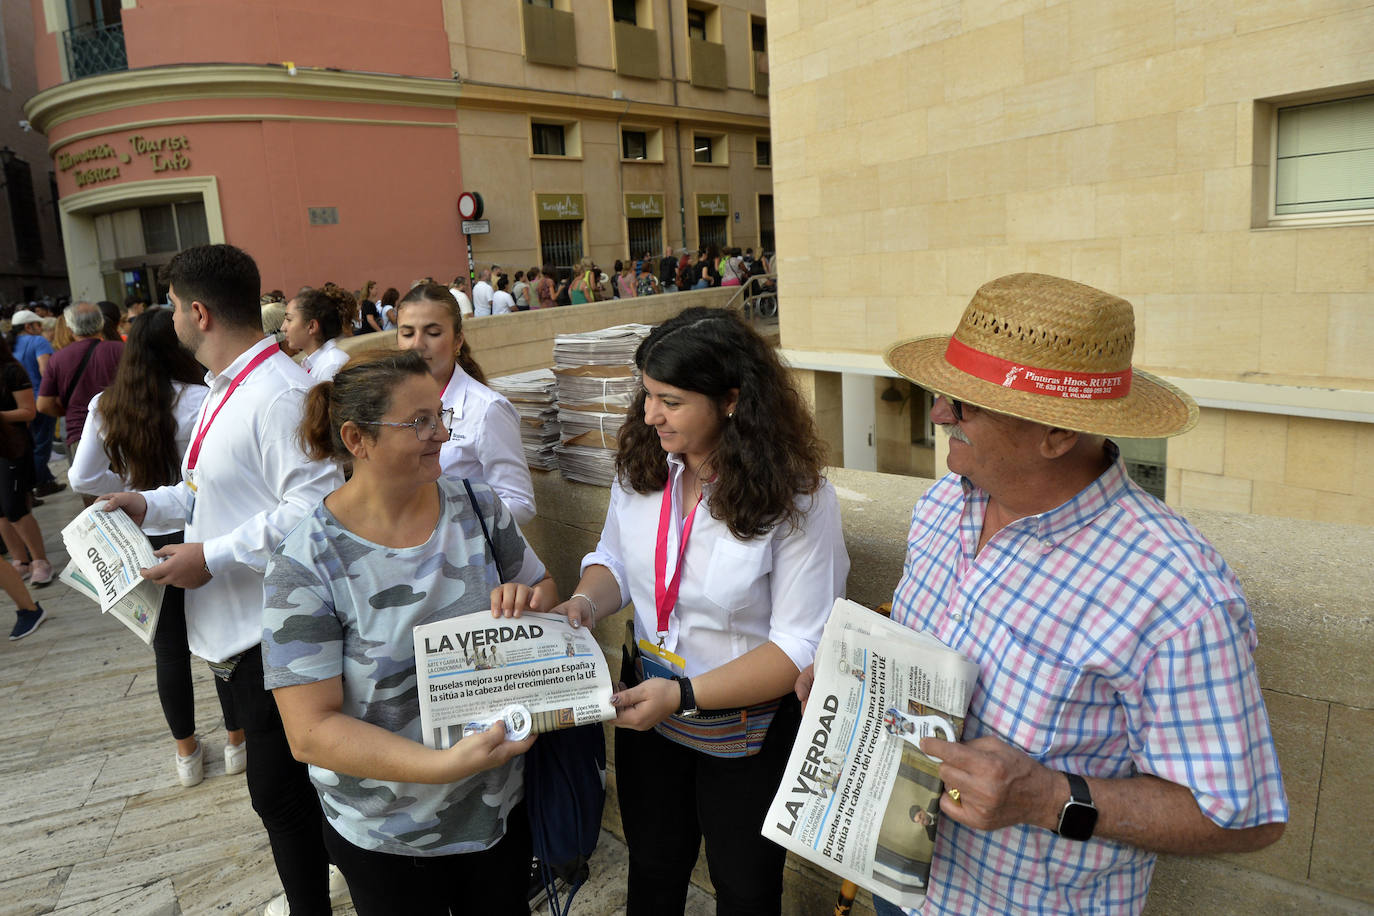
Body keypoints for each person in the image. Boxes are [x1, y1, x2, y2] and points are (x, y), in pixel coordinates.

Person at [839, 273, 1287, 915]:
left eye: (964, 404)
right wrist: (850, 683)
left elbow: (1241, 816)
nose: (938, 415)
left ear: (1057, 434)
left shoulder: (1174, 591)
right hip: (901, 883)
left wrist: (1050, 798)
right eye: (943, 393)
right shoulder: (942, 505)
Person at [551, 306, 850, 915]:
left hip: (746, 730)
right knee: (653, 865)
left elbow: (799, 643)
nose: (649, 415)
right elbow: (615, 560)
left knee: (745, 887)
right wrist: (582, 603)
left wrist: (684, 695)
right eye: (647, 394)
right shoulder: (642, 466)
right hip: (648, 708)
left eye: (671, 401)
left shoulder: (797, 498)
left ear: (732, 400)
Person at [263, 349, 554, 915]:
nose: (441, 434)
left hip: (497, 811)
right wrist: (446, 766)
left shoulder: (477, 505)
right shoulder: (306, 563)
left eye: (441, 416)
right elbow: (311, 731)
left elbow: (541, 587)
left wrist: (531, 602)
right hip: (388, 836)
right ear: (357, 439)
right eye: (419, 422)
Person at [99, 244, 343, 916]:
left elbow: (314, 508)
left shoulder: (278, 393)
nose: (170, 317)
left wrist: (212, 556)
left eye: (173, 305)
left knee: (281, 794)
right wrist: (149, 504)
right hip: (238, 631)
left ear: (199, 312)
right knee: (286, 793)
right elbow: (207, 489)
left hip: (278, 630)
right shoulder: (225, 387)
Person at [69, 308, 245, 788]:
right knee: (221, 642)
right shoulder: (201, 398)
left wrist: (124, 485)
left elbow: (81, 477)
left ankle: (187, 754)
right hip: (198, 529)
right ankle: (236, 741)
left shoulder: (106, 405)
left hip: (139, 533)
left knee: (167, 650)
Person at [394, 284, 535, 526]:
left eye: (433, 333)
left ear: (457, 340)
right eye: (407, 334)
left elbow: (520, 503)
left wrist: (453, 526)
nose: (417, 344)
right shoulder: (390, 402)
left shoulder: (488, 409)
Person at [36, 301, 125, 467]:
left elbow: (43, 405)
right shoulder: (121, 350)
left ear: (70, 329)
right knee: (129, 482)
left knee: (89, 483)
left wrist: (67, 409)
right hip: (122, 430)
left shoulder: (58, 358)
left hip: (80, 434)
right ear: (101, 324)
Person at [0, 333, 55, 589]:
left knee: (15, 508)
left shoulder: (11, 371)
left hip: (12, 448)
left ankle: (40, 561)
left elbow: (28, 411)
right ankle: (21, 561)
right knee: (1, 512)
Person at [9, 308, 64, 498]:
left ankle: (45, 480)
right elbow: (45, 370)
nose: (40, 328)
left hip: (18, 404)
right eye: (38, 324)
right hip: (40, 400)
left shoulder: (9, 345)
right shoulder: (38, 341)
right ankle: (35, 485)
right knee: (42, 445)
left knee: (30, 445)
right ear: (28, 326)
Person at [280, 287, 357, 382]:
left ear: (311, 326)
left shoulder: (332, 366)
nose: (283, 328)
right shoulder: (311, 362)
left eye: (289, 319)